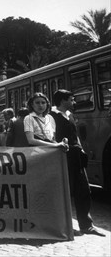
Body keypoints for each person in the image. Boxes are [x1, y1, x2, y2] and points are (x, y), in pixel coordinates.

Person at [50, 89, 104, 236]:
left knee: (84, 190)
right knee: (66, 191)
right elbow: (51, 137)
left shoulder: (70, 115)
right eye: (71, 99)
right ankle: (64, 225)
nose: (74, 102)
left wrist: (80, 148)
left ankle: (87, 225)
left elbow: (75, 135)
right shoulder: (52, 117)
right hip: (63, 157)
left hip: (77, 156)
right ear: (62, 101)